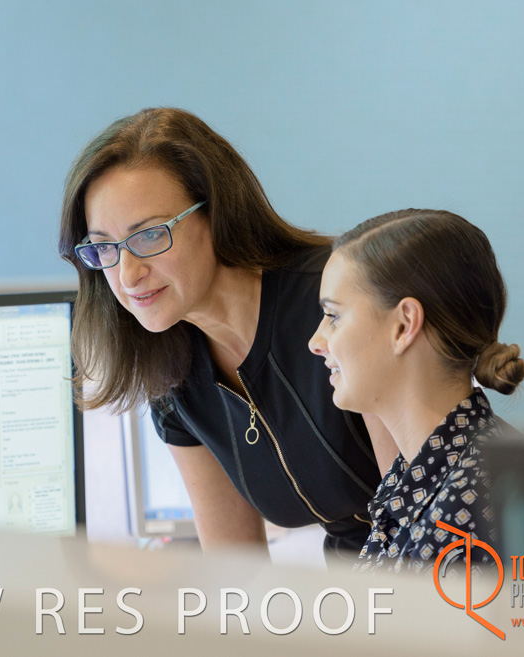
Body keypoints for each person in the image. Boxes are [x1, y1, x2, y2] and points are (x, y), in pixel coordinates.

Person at [58, 108, 394, 558]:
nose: (128, 275)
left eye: (150, 236)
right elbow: (235, 570)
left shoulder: (338, 302)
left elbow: (417, 519)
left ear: (216, 213)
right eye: (104, 247)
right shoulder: (171, 372)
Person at [307, 209, 524, 571]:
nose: (316, 342)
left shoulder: (464, 513)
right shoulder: (423, 469)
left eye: (333, 317)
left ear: (404, 325)